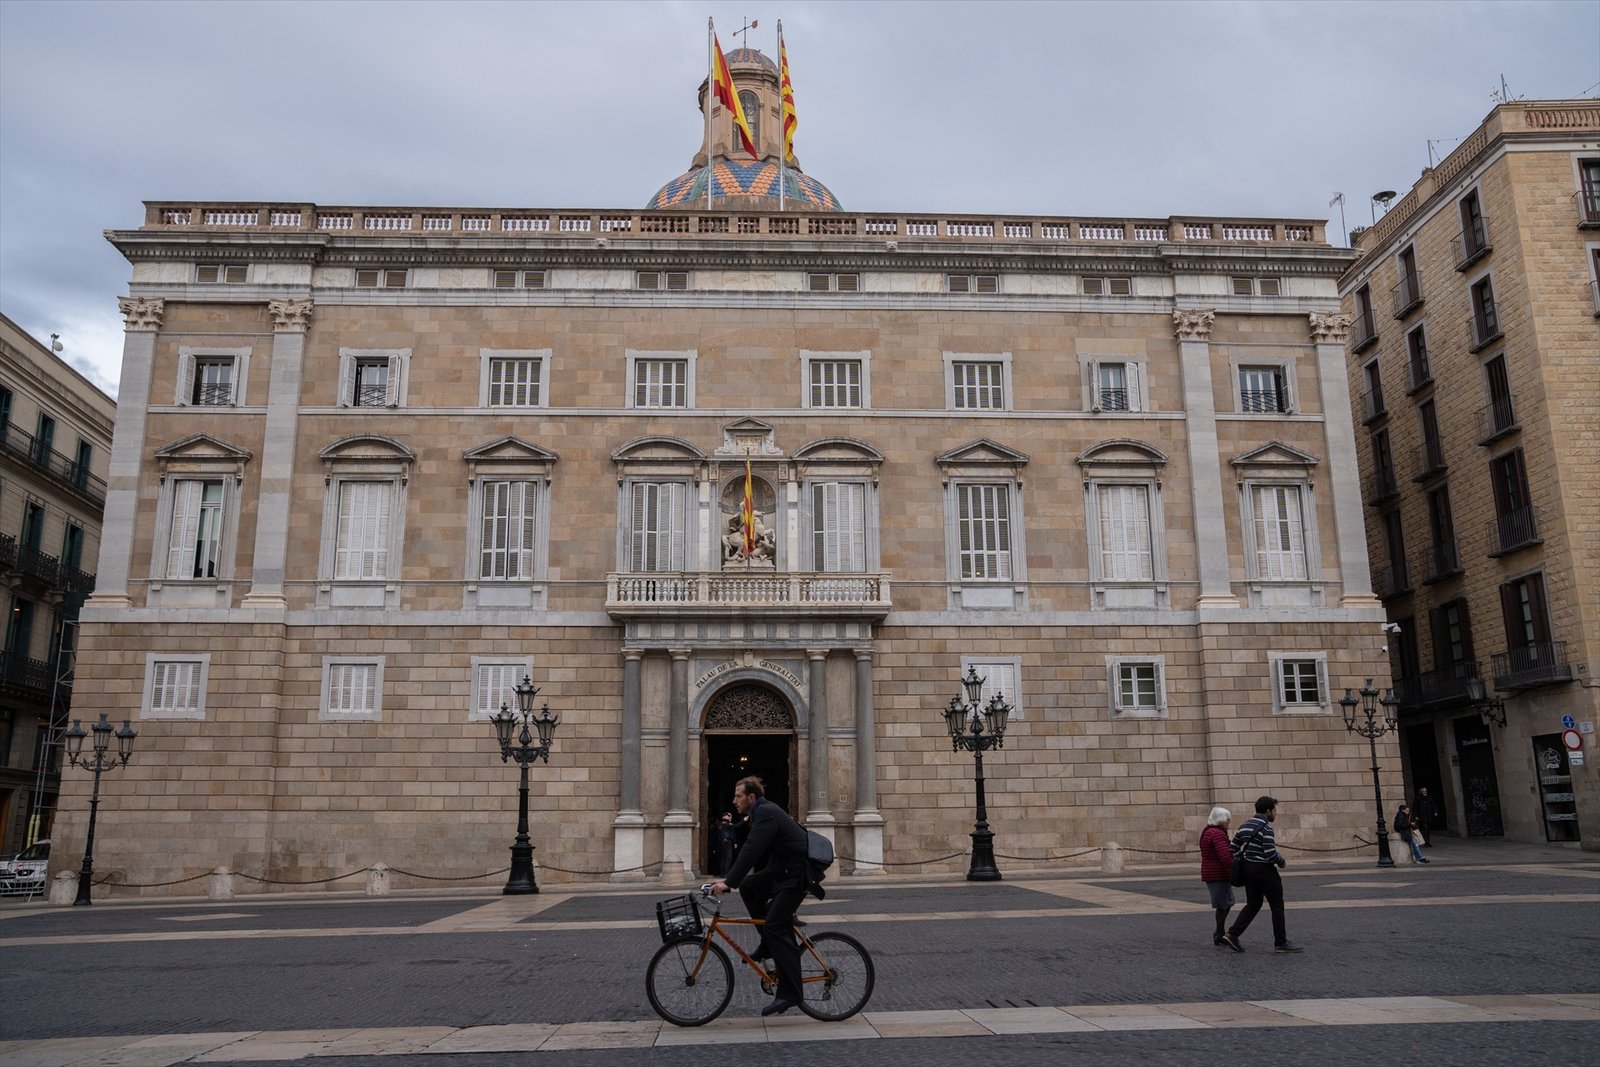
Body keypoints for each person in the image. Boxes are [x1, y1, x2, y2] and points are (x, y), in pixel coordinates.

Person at [708, 777, 810, 1017]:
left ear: (751, 797)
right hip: (782, 872)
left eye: (738, 795)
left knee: (775, 926)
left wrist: (728, 882)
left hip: (796, 875)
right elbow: (753, 846)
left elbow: (751, 849)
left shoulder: (766, 813)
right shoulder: (759, 813)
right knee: (749, 886)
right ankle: (768, 945)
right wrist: (733, 881)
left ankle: (790, 994)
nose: (734, 801)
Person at [1222, 795, 1301, 954]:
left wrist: (1243, 858)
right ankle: (1280, 942)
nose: (1275, 814)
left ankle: (1232, 934)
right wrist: (1281, 861)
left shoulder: (1244, 825)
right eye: (1274, 810)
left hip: (1249, 870)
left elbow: (1233, 847)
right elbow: (1270, 853)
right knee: (1277, 905)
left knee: (1253, 904)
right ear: (1267, 811)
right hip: (1265, 871)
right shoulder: (1266, 828)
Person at [1198, 806, 1235, 947]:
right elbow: (1225, 855)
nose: (1228, 823)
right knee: (1223, 904)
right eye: (1227, 820)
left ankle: (1220, 932)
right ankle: (1219, 934)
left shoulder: (1208, 831)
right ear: (1220, 819)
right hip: (1217, 873)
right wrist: (1234, 869)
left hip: (1212, 872)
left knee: (1226, 903)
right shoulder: (1217, 834)